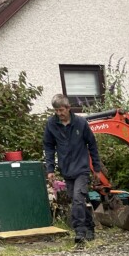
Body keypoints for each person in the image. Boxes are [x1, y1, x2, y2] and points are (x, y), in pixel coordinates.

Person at [43, 94, 102, 247]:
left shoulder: (80, 123)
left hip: (82, 168)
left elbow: (92, 145)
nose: (59, 113)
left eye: (61, 110)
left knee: (77, 199)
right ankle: (90, 227)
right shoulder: (52, 124)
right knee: (78, 201)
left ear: (68, 108)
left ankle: (80, 232)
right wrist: (50, 169)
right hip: (66, 169)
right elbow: (49, 147)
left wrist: (97, 168)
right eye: (56, 110)